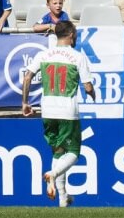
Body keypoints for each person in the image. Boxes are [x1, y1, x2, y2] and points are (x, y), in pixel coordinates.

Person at [22, 21, 96, 207]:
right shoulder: (77, 57)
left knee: (58, 150)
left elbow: (27, 76)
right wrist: (92, 94)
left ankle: (63, 199)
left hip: (48, 110)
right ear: (70, 34)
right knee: (73, 152)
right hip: (67, 111)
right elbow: (87, 87)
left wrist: (24, 103)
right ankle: (52, 174)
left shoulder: (44, 54)